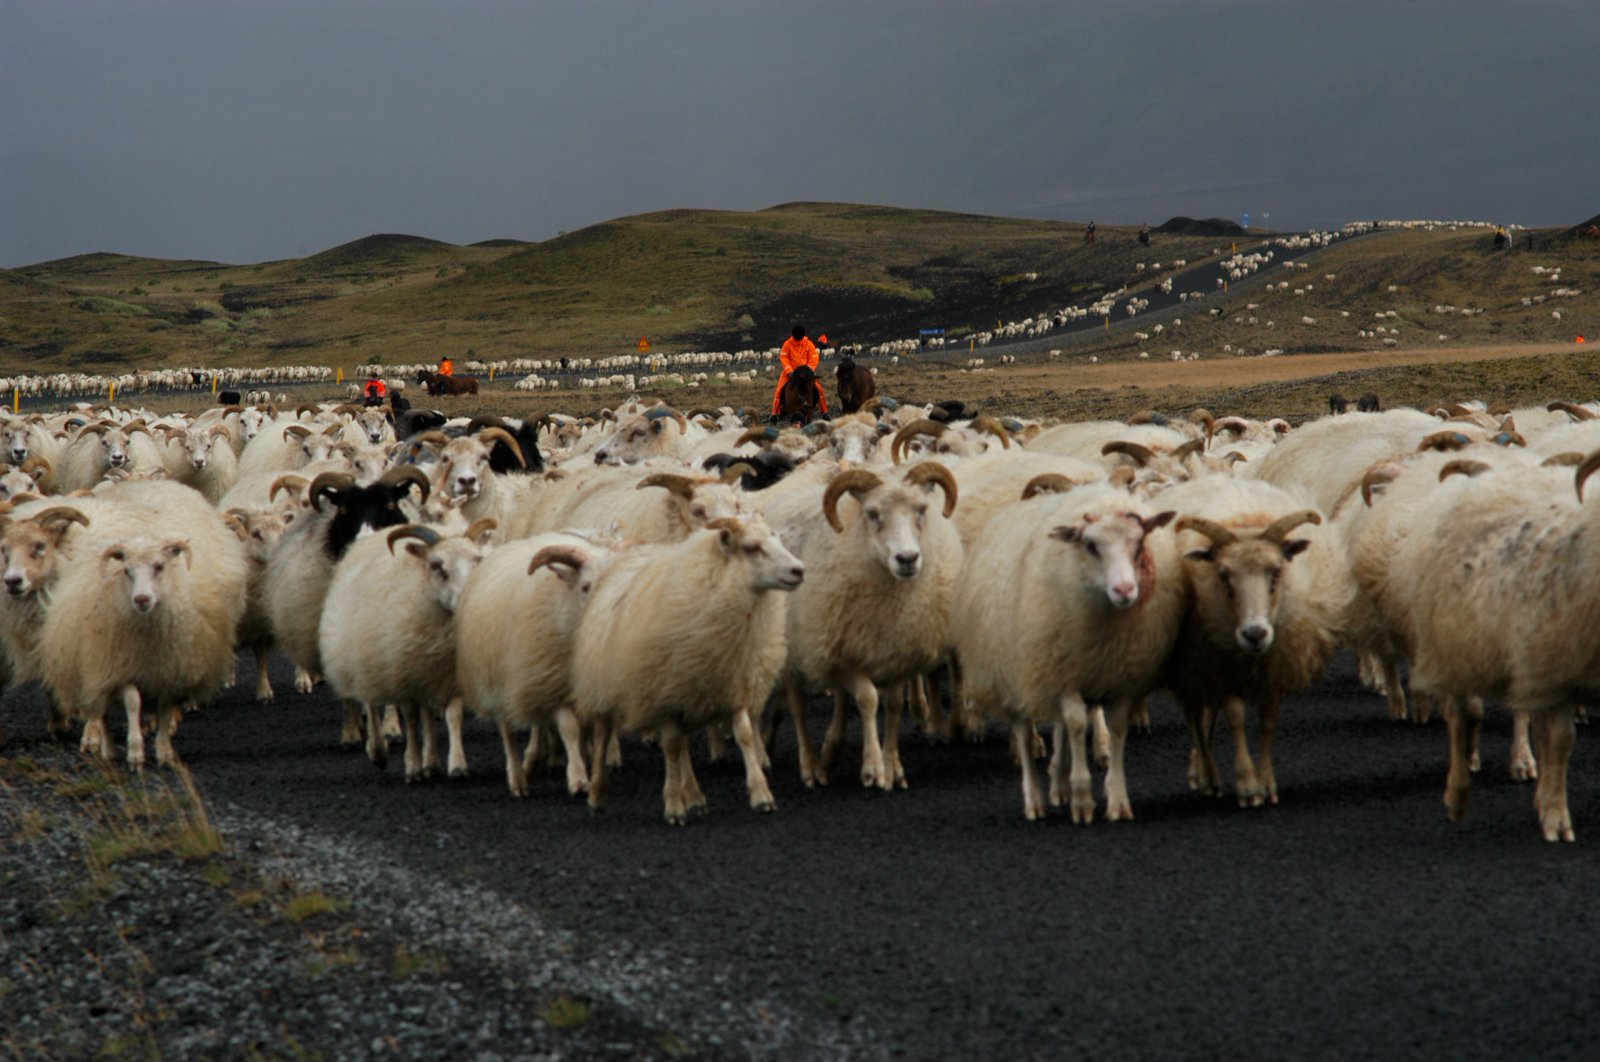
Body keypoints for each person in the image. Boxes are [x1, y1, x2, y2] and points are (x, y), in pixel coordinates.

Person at [770, 324, 829, 421]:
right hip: (791, 372)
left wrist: (808, 371)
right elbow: (784, 358)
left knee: (819, 389)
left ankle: (824, 412)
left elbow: (814, 358)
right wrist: (790, 372)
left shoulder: (809, 344)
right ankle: (775, 414)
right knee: (779, 390)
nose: (798, 339)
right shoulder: (787, 344)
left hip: (806, 372)